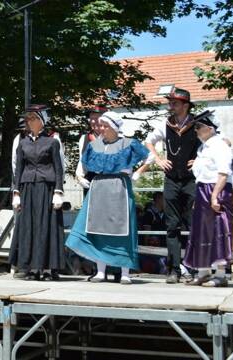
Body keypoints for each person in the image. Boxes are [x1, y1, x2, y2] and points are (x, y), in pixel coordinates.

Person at [65, 112, 149, 285]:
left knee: (122, 230)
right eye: (101, 125)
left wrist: (139, 172)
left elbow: (150, 156)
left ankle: (125, 272)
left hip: (120, 187)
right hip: (99, 189)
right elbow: (83, 163)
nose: (101, 128)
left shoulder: (128, 143)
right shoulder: (95, 145)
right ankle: (100, 271)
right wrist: (80, 177)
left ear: (114, 127)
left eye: (105, 125)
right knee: (97, 228)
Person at [142, 88, 201, 284]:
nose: (171, 106)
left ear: (185, 106)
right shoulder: (165, 124)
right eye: (170, 103)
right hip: (172, 180)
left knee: (193, 224)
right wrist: (158, 159)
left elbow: (218, 142)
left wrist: (201, 158)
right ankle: (173, 269)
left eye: (175, 103)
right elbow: (148, 141)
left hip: (192, 180)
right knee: (172, 226)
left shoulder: (198, 123)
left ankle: (193, 269)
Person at [9, 105, 66, 281]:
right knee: (29, 227)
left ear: (42, 120)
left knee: (46, 226)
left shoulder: (52, 142)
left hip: (46, 188)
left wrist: (58, 191)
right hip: (28, 189)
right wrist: (16, 193)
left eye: (33, 118)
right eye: (28, 118)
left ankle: (48, 268)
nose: (29, 121)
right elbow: (18, 169)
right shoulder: (23, 143)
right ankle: (32, 267)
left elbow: (59, 168)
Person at [183, 112, 233, 287]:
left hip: (217, 189)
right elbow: (201, 174)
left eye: (198, 127)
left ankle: (220, 275)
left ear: (209, 128)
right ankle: (203, 271)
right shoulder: (204, 147)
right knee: (201, 231)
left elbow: (223, 172)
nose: (196, 130)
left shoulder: (219, 145)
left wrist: (214, 196)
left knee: (219, 230)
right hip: (203, 189)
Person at [76, 105, 106, 192]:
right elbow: (82, 161)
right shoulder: (84, 138)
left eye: (97, 118)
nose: (93, 121)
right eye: (91, 119)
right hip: (91, 180)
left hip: (111, 179)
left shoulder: (114, 137)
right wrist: (80, 177)